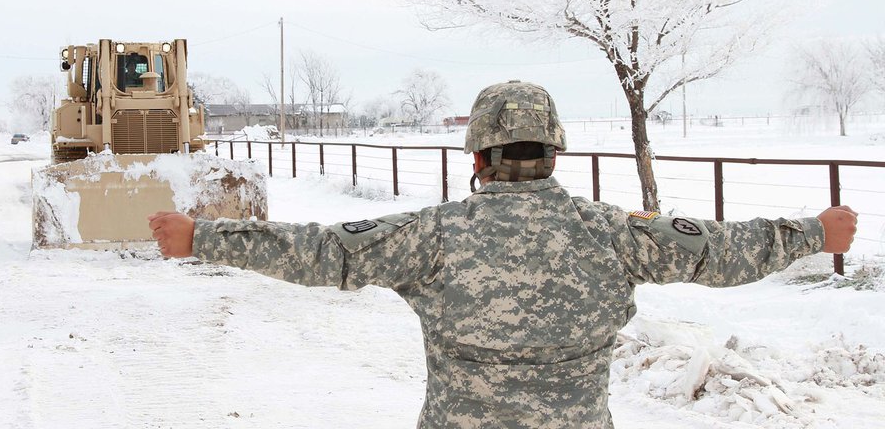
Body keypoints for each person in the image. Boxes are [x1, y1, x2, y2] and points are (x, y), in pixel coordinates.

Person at [149, 80, 857, 429]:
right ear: (553, 152)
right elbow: (722, 251)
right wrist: (814, 233)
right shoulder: (613, 233)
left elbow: (324, 251)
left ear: (479, 156)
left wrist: (204, 237)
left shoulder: (433, 234)